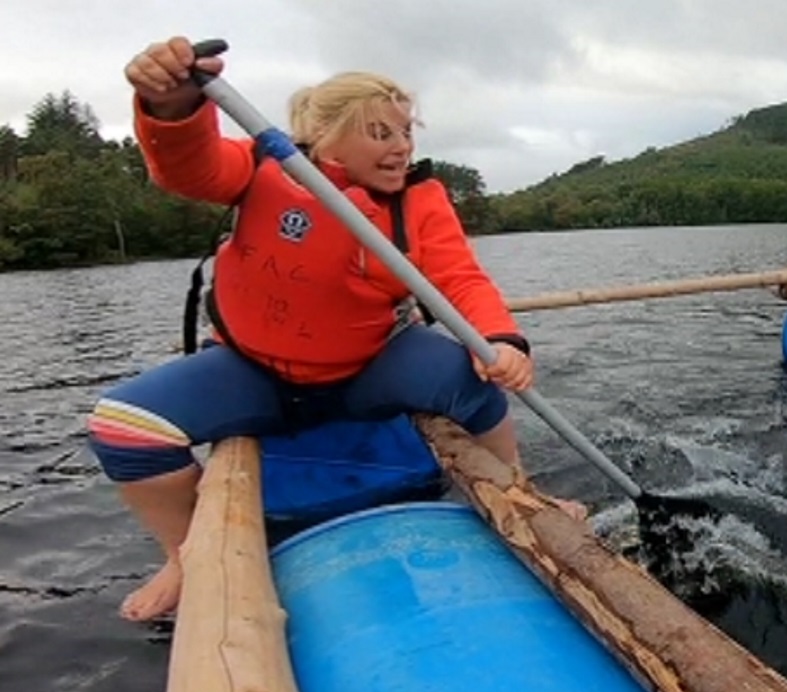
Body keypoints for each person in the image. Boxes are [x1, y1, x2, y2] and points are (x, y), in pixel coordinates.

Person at [87, 36, 587, 623]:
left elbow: (459, 277)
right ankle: (181, 554)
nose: (401, 147)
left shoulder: (421, 200)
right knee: (123, 427)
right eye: (382, 134)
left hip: (368, 364)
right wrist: (172, 109)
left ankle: (517, 494)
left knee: (472, 379)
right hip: (254, 369)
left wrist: (501, 341)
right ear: (325, 136)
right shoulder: (262, 167)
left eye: (407, 133)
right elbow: (188, 168)